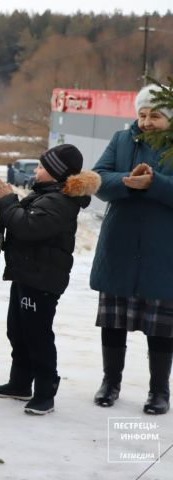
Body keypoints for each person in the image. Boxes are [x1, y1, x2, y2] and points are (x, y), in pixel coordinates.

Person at [0, 144, 100, 415]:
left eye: (41, 167)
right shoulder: (49, 194)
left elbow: (27, 227)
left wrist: (7, 201)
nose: (36, 170)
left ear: (56, 173)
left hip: (42, 280)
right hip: (27, 274)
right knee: (17, 330)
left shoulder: (60, 201)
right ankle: (20, 383)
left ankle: (45, 392)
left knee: (37, 336)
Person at [90, 84, 173, 415]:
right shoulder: (121, 140)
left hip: (163, 251)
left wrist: (156, 184)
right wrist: (126, 181)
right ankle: (110, 383)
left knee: (161, 328)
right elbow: (98, 178)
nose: (147, 121)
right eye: (142, 114)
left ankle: (159, 391)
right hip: (120, 245)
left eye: (155, 115)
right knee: (113, 322)